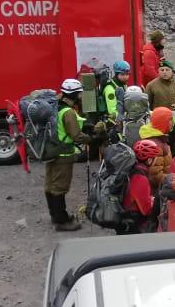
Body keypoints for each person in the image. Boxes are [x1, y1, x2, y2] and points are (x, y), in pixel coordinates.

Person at [44, 78, 93, 231]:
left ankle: (55, 215)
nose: (80, 96)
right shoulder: (68, 112)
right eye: (79, 93)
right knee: (60, 187)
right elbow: (76, 136)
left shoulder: (56, 107)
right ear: (75, 94)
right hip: (63, 155)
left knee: (50, 185)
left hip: (51, 151)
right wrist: (93, 139)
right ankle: (62, 221)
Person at [117, 139, 160, 235]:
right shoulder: (140, 178)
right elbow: (146, 210)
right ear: (149, 160)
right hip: (132, 224)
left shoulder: (132, 169)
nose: (156, 160)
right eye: (155, 157)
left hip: (123, 218)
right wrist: (154, 201)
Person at [139, 106, 174, 190]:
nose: (172, 122)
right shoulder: (156, 145)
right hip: (158, 193)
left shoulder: (159, 139)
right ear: (163, 122)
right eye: (170, 120)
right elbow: (156, 176)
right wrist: (174, 181)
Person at [102, 59, 132, 125]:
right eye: (122, 74)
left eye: (127, 74)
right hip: (113, 123)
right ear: (116, 74)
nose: (125, 77)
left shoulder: (123, 85)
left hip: (123, 119)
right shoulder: (110, 89)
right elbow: (112, 111)